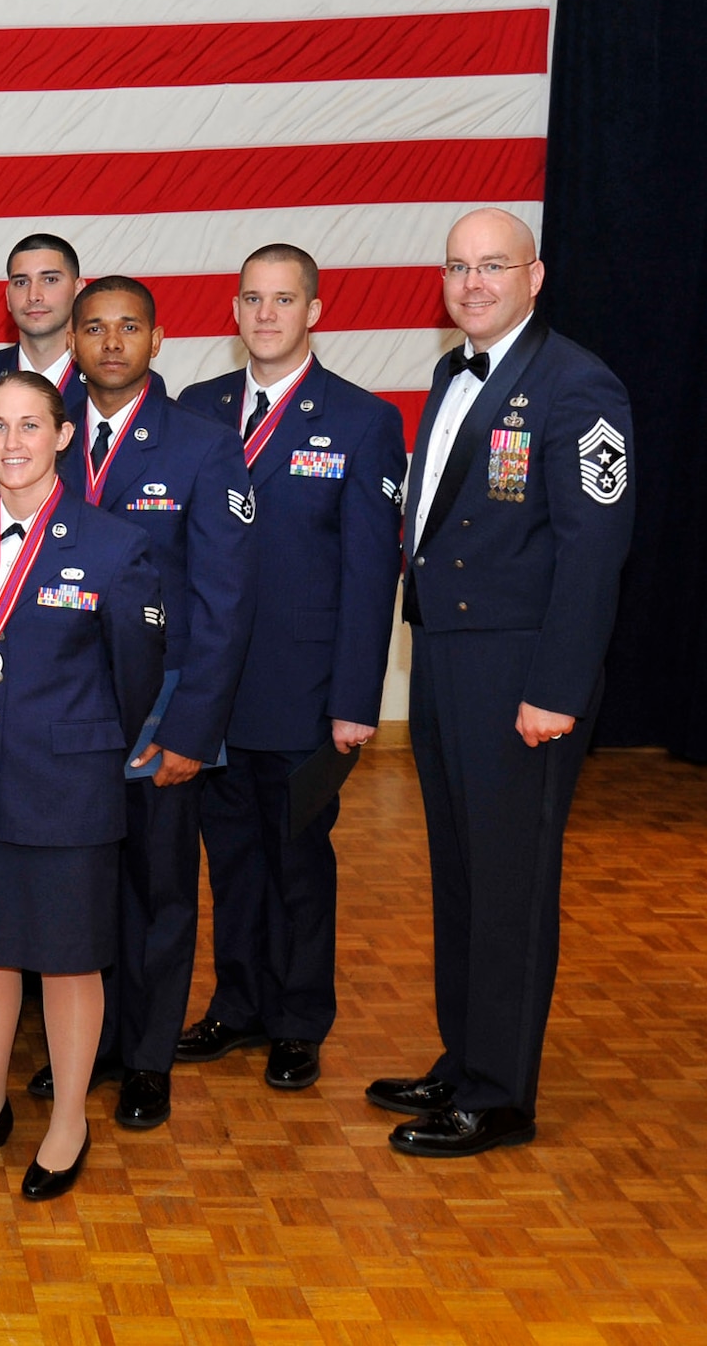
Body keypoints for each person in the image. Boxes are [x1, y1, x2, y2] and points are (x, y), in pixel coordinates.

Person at [368, 208, 633, 1156]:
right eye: (457, 266)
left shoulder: (579, 386)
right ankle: (465, 1053)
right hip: (447, 659)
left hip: (523, 672)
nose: (472, 282)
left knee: (511, 881)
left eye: (493, 265)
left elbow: (591, 551)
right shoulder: (453, 372)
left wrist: (557, 686)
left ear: (535, 274)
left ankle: (501, 1093)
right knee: (462, 870)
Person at [0, 371, 165, 1201]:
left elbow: (136, 675)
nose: (13, 443)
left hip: (66, 783)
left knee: (66, 957)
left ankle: (68, 1120)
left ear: (64, 436)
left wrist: (79, 742)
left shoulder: (113, 544)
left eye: (30, 426)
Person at [173, 245, 406, 1090]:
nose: (267, 314)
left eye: (284, 299)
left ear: (314, 310)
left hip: (305, 692)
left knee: (298, 858)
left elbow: (372, 572)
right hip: (210, 694)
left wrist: (356, 700)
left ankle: (300, 1017)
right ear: (233, 311)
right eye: (253, 299)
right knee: (229, 856)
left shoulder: (362, 419)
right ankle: (239, 1003)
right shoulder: (196, 409)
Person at [39, 277, 257, 1133]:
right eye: (95, 328)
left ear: (158, 340)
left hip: (158, 712)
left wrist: (192, 728)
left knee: (161, 890)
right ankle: (88, 1049)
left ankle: (148, 1059)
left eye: (129, 326)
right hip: (59, 716)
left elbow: (226, 603)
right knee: (80, 888)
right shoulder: (40, 432)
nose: (112, 341)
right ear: (75, 341)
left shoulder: (202, 446)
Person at [0, 235, 167, 414]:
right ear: (8, 298)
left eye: (50, 280)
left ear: (78, 290)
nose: (34, 295)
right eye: (21, 282)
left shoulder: (123, 379)